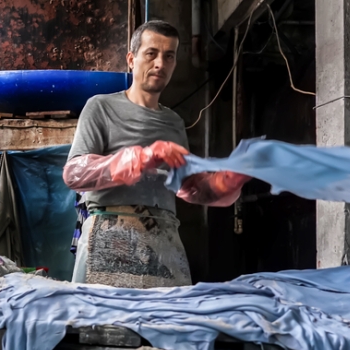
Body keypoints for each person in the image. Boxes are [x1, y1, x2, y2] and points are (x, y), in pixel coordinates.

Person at [63, 20, 250, 288]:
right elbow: (74, 174)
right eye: (151, 53)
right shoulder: (100, 108)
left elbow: (187, 186)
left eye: (169, 56)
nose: (160, 63)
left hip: (164, 240)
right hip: (109, 234)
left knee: (167, 326)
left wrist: (225, 184)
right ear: (131, 59)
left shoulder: (174, 122)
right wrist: (140, 158)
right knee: (106, 328)